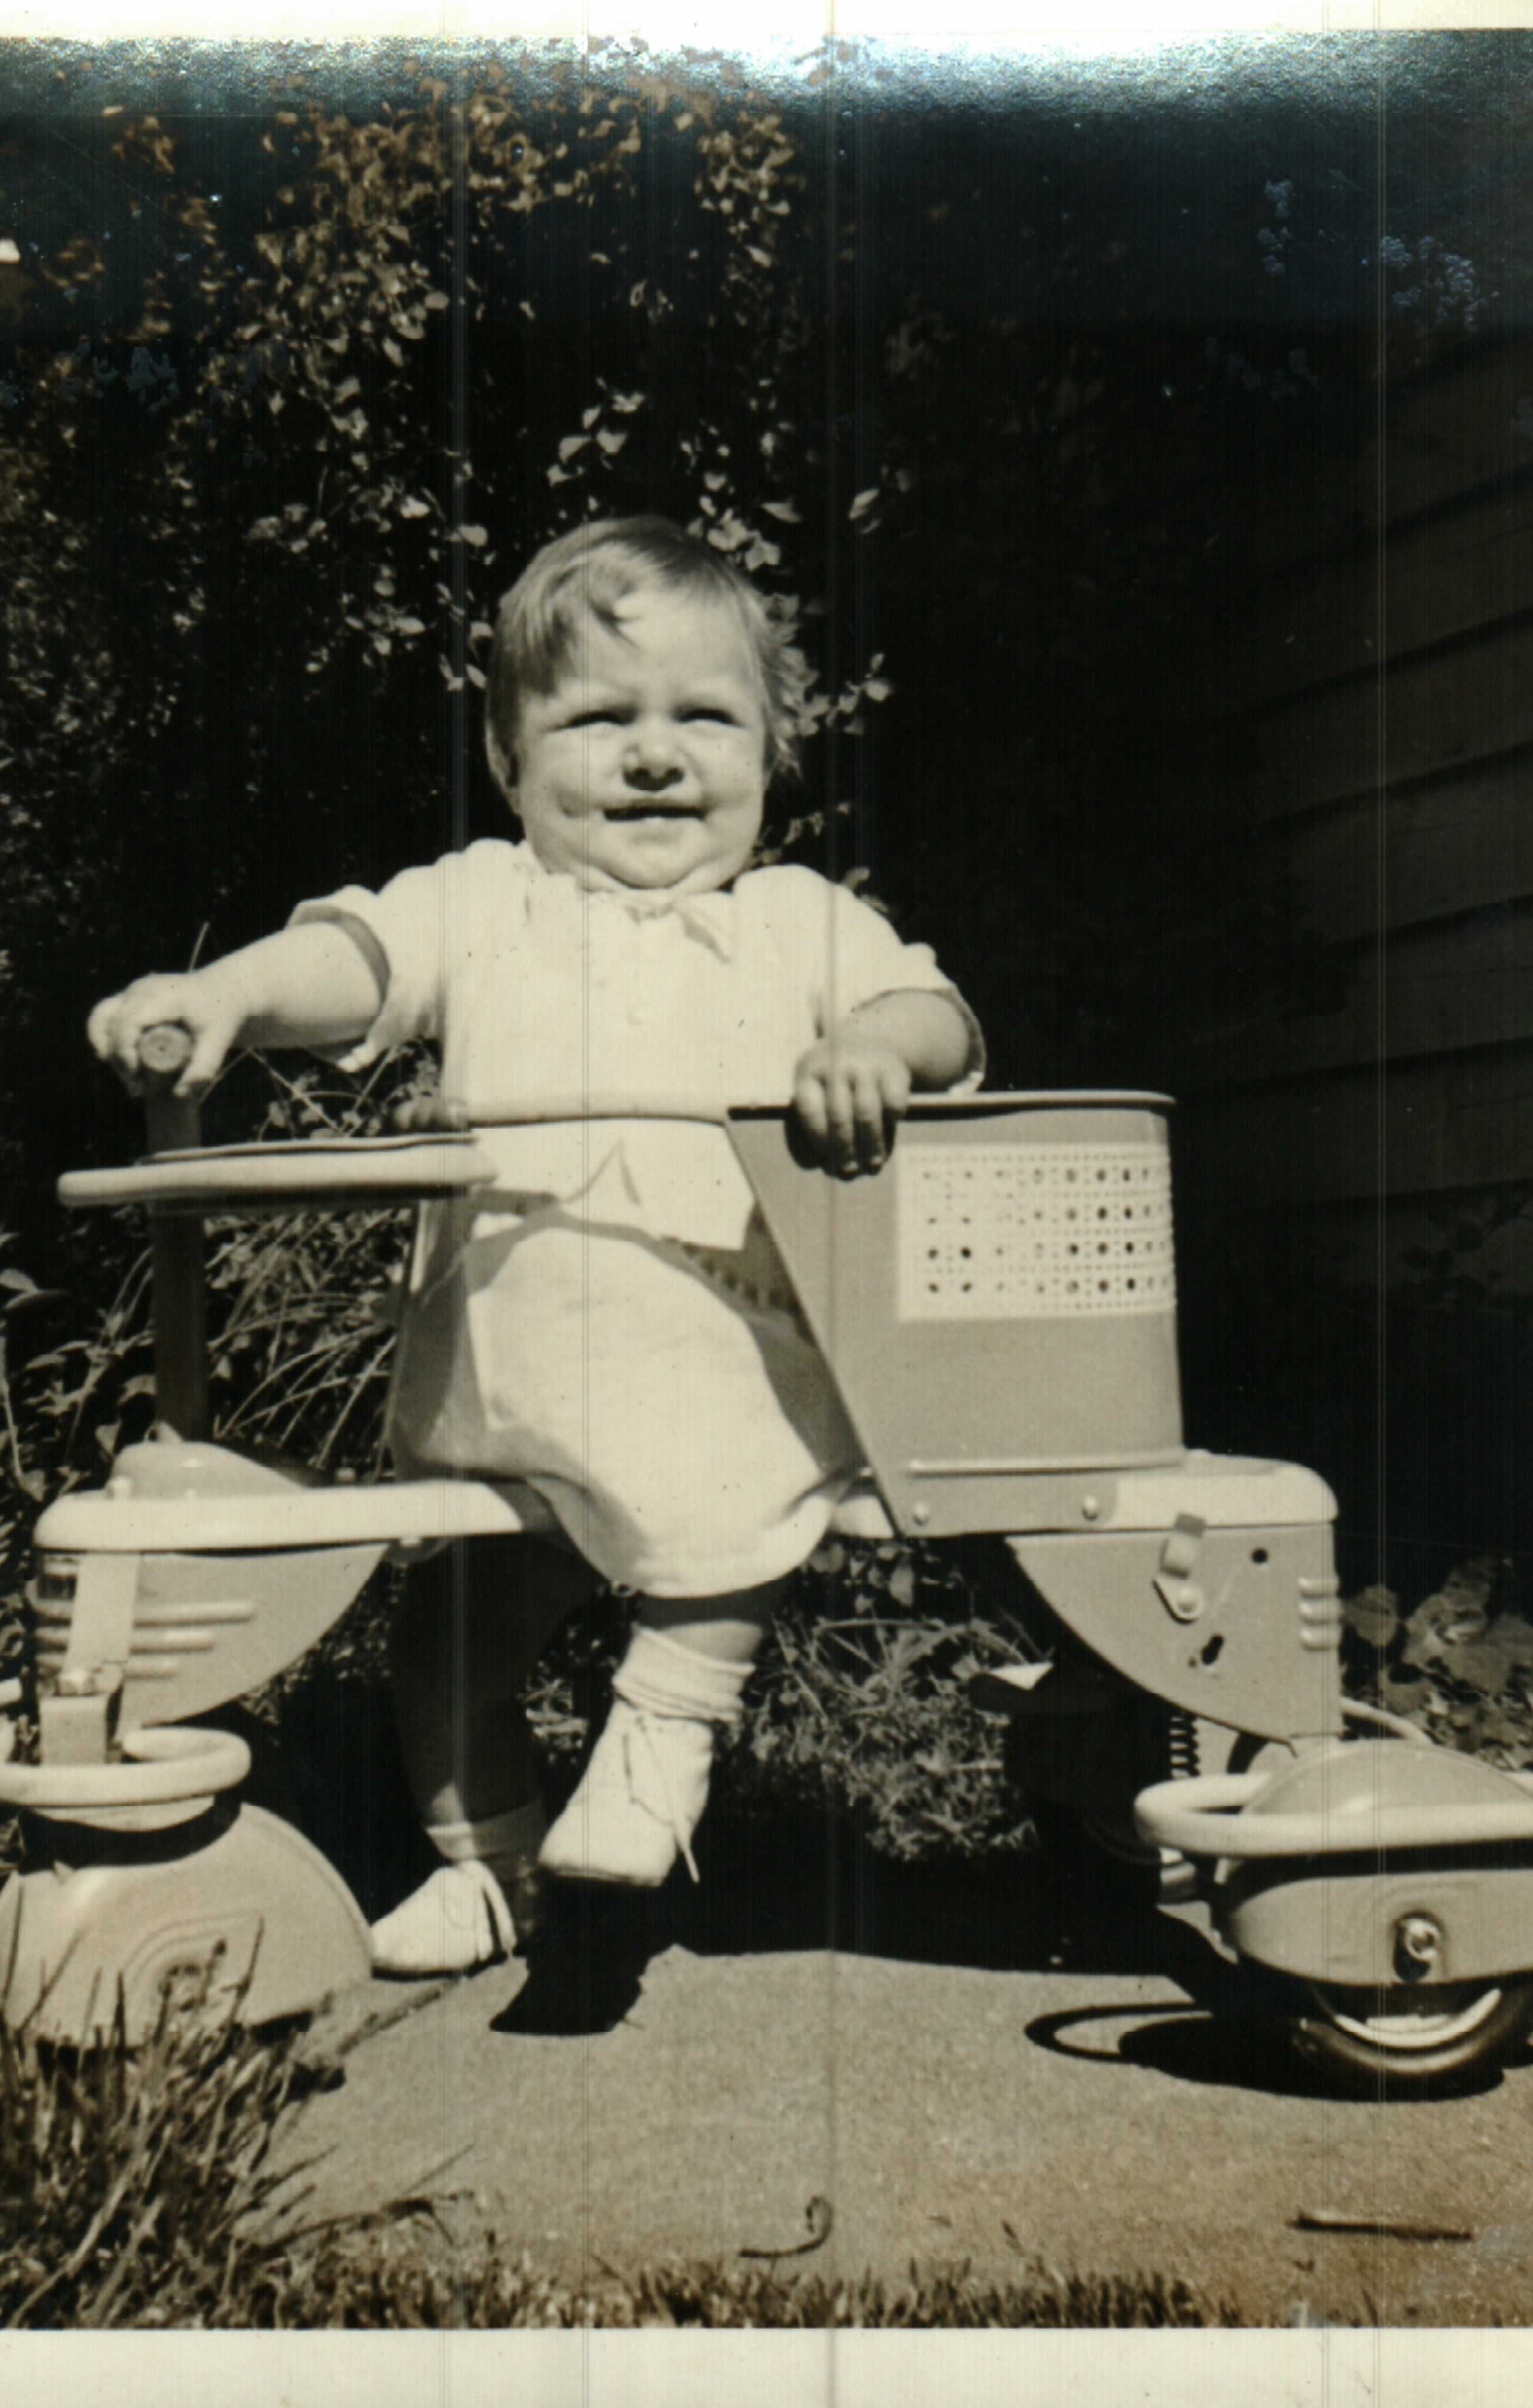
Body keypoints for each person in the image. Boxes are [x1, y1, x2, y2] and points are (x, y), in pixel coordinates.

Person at [86, 517, 981, 1975]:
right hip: (502, 1392)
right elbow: (358, 956)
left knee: (732, 1509)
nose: (655, 756)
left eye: (705, 719)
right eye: (597, 720)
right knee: (442, 1635)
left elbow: (934, 1009)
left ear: (772, 756)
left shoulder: (795, 923)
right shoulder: (486, 903)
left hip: (721, 1360)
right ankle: (488, 1860)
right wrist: (232, 993)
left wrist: (873, 1050)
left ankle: (666, 1724)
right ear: (510, 761)